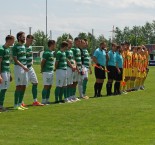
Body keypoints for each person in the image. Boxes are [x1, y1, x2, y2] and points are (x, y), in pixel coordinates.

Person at [25, 34, 43, 106]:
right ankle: (21, 102)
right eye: (30, 39)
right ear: (27, 39)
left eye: (32, 40)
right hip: (24, 69)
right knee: (23, 86)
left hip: (30, 68)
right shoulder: (23, 47)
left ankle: (35, 101)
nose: (32, 41)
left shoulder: (30, 47)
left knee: (35, 83)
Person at [12, 31, 29, 110]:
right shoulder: (15, 47)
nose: (24, 38)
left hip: (24, 68)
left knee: (24, 86)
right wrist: (23, 67)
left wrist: (26, 66)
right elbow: (15, 60)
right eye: (23, 37)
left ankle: (20, 103)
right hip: (19, 68)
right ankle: (16, 105)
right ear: (19, 38)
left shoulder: (24, 47)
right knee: (18, 86)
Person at [0, 35, 15, 111]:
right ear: (9, 40)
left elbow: (8, 62)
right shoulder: (1, 49)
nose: (14, 42)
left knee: (5, 88)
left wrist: (10, 74)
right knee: (3, 88)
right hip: (3, 71)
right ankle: (0, 106)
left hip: (7, 71)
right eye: (13, 40)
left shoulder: (8, 49)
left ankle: (1, 105)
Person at [41, 40, 55, 105]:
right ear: (51, 44)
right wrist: (42, 69)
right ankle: (43, 100)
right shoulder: (46, 52)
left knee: (50, 86)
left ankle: (47, 99)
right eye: (54, 44)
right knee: (46, 86)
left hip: (51, 71)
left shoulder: (51, 52)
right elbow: (43, 62)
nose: (55, 46)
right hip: (46, 71)